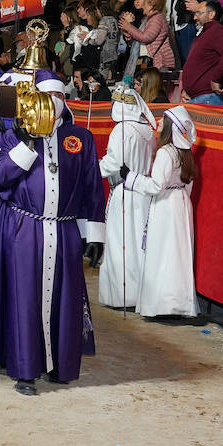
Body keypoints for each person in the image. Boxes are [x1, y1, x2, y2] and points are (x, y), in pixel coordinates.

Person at [0, 71, 104, 395]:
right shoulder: (10, 135)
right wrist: (27, 143)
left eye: (59, 98)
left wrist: (95, 235)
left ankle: (60, 364)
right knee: (25, 300)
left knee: (64, 299)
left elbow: (92, 188)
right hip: (24, 228)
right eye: (46, 98)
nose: (53, 104)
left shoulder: (80, 138)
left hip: (63, 231)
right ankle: (25, 370)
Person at [124, 106, 198, 318]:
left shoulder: (166, 152)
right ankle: (177, 303)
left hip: (166, 205)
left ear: (169, 127)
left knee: (162, 251)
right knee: (178, 253)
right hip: (182, 203)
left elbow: (157, 185)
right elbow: (188, 185)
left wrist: (131, 178)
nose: (157, 123)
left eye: (161, 121)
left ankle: (161, 304)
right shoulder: (185, 152)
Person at [98, 87, 156, 310]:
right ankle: (139, 294)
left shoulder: (122, 130)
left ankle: (123, 296)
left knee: (120, 242)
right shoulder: (148, 130)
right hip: (141, 193)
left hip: (124, 192)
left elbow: (114, 163)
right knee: (137, 245)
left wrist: (90, 170)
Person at [180, 0, 223, 105]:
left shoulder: (218, 31)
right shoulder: (205, 33)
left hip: (211, 97)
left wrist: (216, 78)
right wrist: (186, 89)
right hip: (199, 96)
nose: (195, 17)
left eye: (199, 13)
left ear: (211, 14)